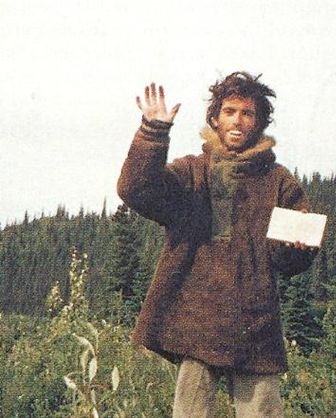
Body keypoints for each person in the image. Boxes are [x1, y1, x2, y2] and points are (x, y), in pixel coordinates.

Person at [117, 72, 317, 418]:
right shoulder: (191, 173)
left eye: (247, 113)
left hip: (255, 319)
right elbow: (136, 189)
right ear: (215, 117)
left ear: (259, 122)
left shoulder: (278, 181)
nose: (237, 120)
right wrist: (153, 132)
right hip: (197, 316)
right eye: (229, 111)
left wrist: (296, 249)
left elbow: (292, 259)